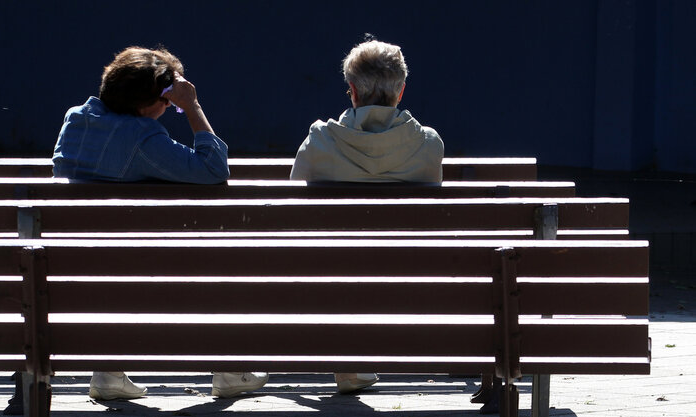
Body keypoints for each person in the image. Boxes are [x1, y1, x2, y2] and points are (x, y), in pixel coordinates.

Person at [52, 46, 268, 401]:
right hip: (138, 278)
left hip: (69, 270)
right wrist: (193, 108)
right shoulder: (141, 137)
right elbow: (214, 170)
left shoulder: (76, 118)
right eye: (169, 103)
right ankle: (229, 369)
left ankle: (108, 370)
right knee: (212, 263)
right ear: (146, 103)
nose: (170, 110)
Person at [290, 39, 444, 394]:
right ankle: (351, 362)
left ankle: (348, 359)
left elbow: (293, 215)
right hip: (408, 281)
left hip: (327, 280)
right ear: (401, 92)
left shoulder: (320, 141)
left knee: (333, 264)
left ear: (353, 92)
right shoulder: (429, 145)